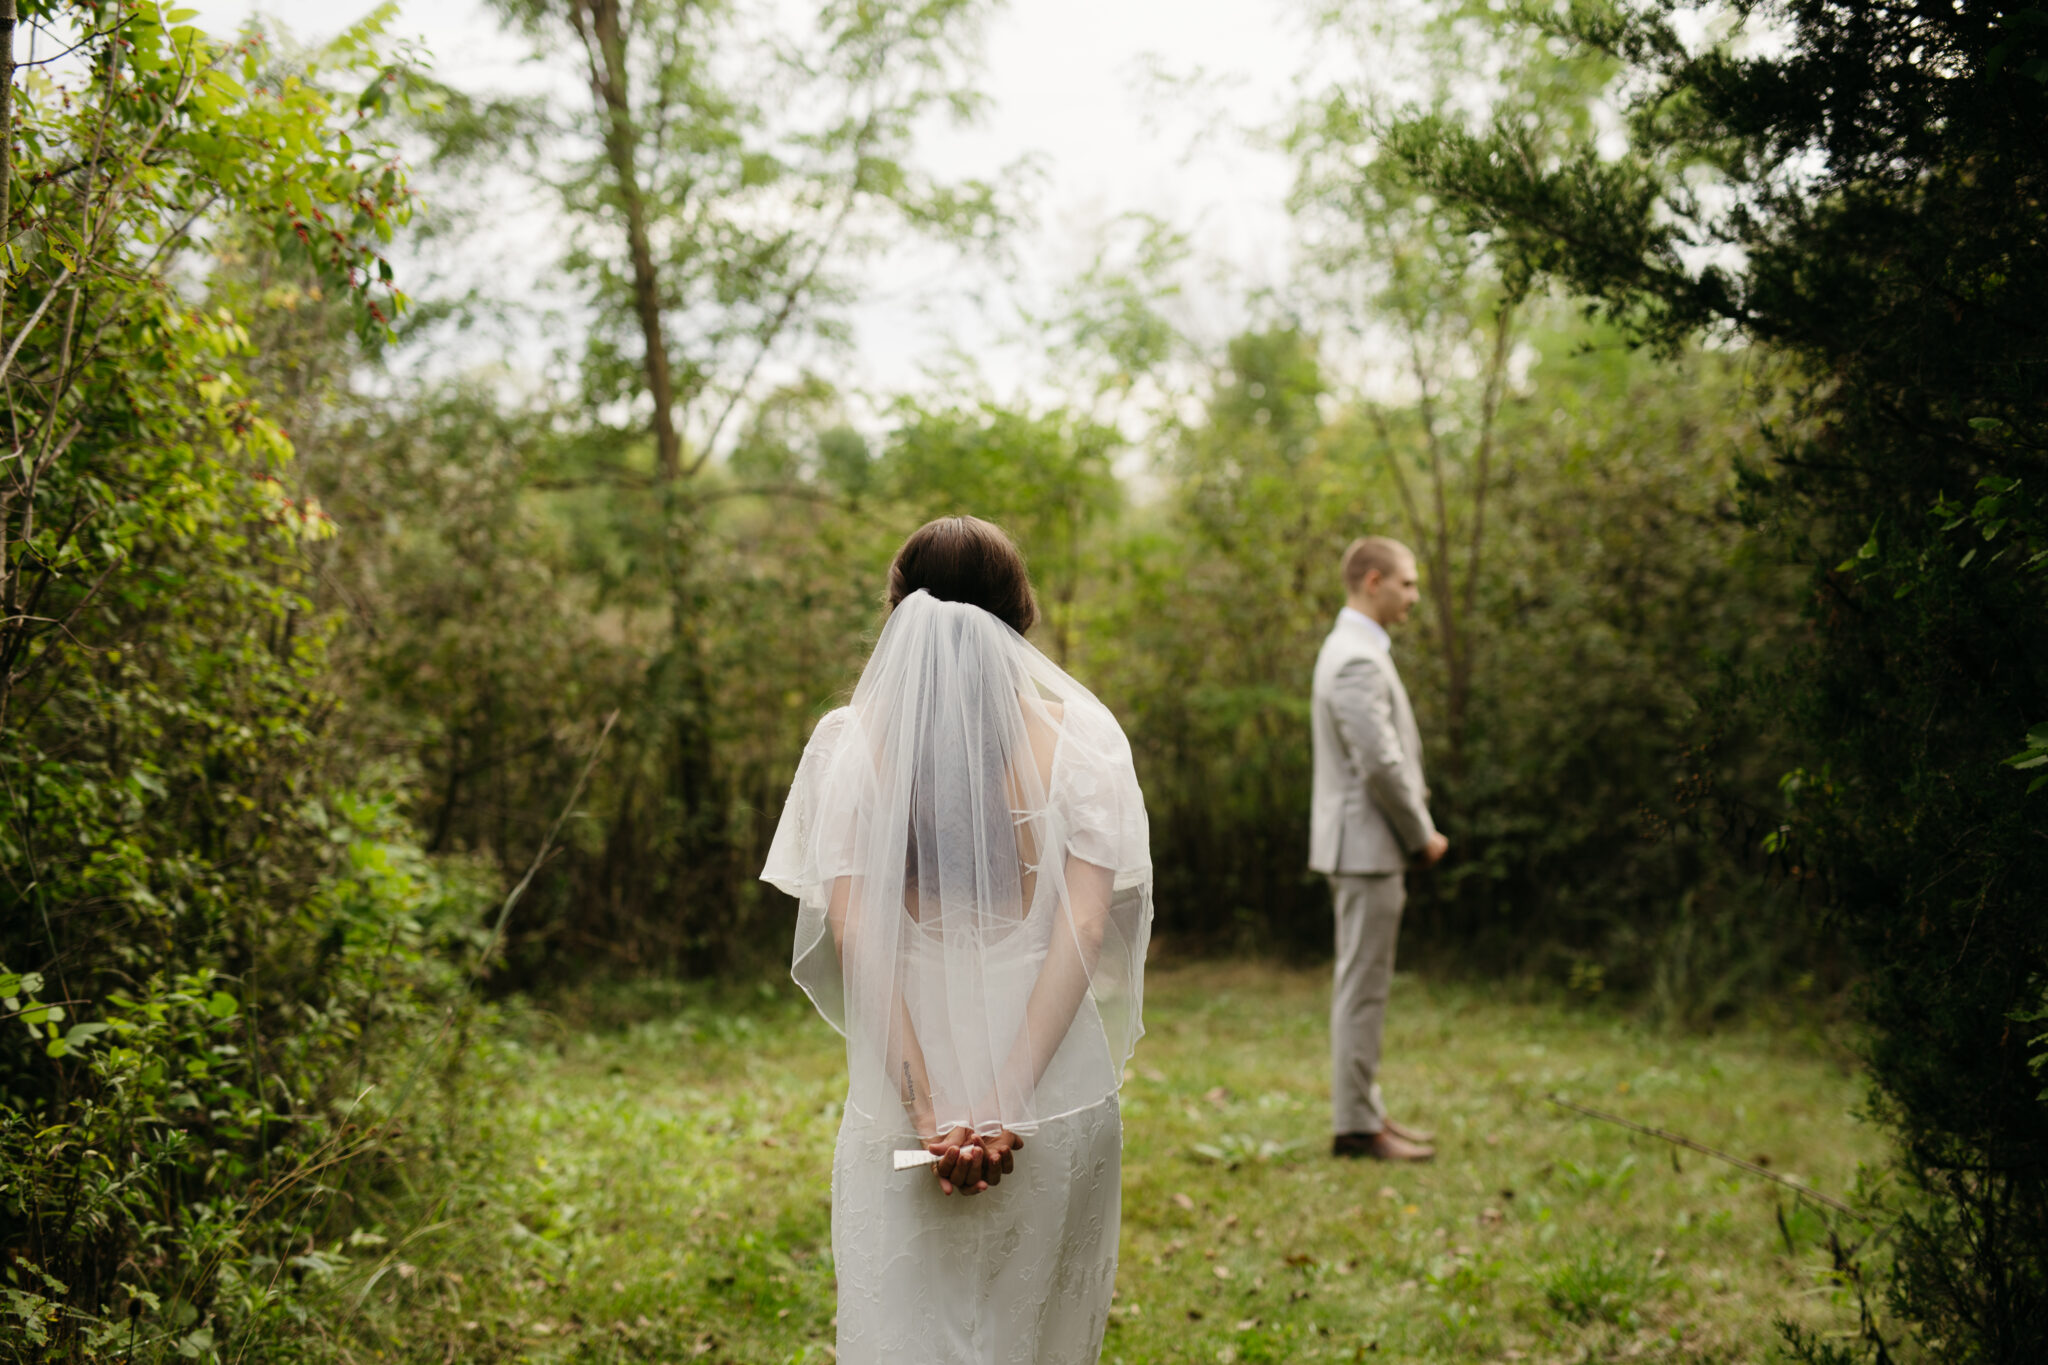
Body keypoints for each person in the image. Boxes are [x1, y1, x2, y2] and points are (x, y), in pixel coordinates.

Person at [762, 516, 1153, 1365]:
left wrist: (931, 1109)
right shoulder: (1084, 741)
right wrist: (1009, 1101)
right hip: (1054, 1077)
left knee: (909, 1320)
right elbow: (1085, 925)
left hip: (907, 1071)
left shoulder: (850, 742)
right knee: (1034, 1327)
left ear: (898, 609)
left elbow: (854, 925)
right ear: (1021, 615)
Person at [1307, 535, 1447, 1163]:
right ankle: (1357, 1128)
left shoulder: (1356, 650)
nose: (1413, 596)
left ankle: (1365, 1112)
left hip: (1364, 847)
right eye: (1408, 583)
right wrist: (1422, 834)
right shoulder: (1356, 658)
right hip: (1369, 847)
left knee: (1363, 986)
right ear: (1372, 581)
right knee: (1363, 989)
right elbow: (1381, 764)